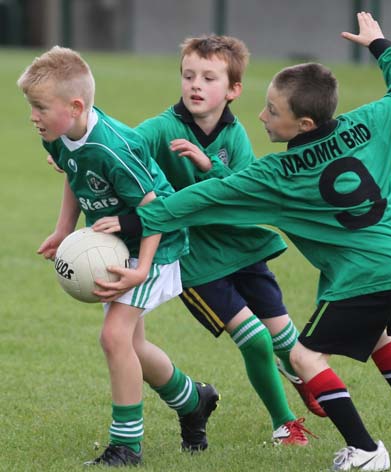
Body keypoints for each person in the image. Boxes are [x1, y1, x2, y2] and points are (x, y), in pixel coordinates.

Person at [94, 12, 391, 472]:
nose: (261, 116)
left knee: (301, 354)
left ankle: (363, 448)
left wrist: (134, 220)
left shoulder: (278, 174)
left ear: (302, 123)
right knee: (376, 334)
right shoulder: (374, 121)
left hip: (365, 272)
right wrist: (381, 45)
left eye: (272, 112)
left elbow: (203, 199)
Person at [93, 34, 324, 446]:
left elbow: (246, 194)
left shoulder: (234, 137)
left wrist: (207, 167)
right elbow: (119, 147)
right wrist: (77, 153)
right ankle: (284, 423)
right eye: (188, 75)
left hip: (242, 248)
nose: (195, 85)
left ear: (233, 90)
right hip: (195, 259)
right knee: (254, 339)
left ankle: (295, 369)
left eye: (209, 78)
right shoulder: (161, 129)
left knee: (288, 340)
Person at [17, 46, 220, 467]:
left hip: (157, 242)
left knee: (113, 338)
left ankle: (126, 446)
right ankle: (193, 401)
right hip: (121, 244)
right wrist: (62, 230)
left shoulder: (112, 146)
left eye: (39, 107)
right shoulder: (59, 135)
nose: (33, 116)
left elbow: (154, 208)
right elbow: (75, 175)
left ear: (74, 107)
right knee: (132, 344)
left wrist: (142, 268)